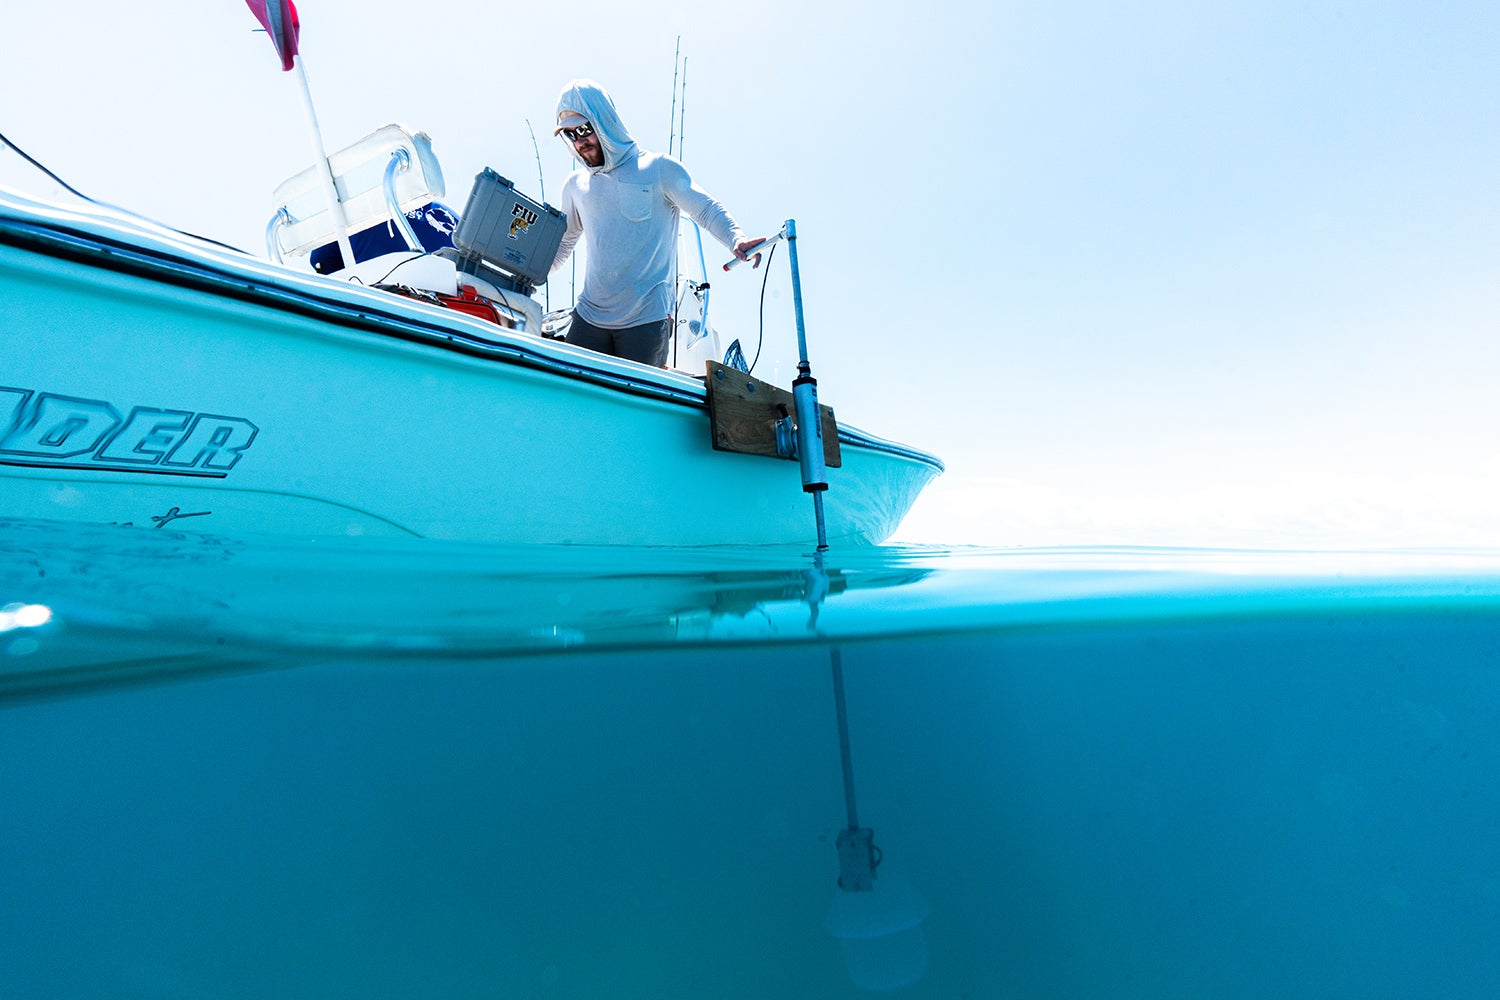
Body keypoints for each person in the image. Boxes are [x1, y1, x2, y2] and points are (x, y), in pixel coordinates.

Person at [549, 79, 764, 367]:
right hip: (589, 318)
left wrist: (736, 238)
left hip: (645, 322)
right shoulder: (575, 185)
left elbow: (705, 210)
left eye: (584, 129)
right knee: (570, 399)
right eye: (569, 134)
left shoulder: (658, 168)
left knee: (633, 407)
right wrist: (520, 274)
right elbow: (562, 245)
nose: (579, 141)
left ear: (604, 121)